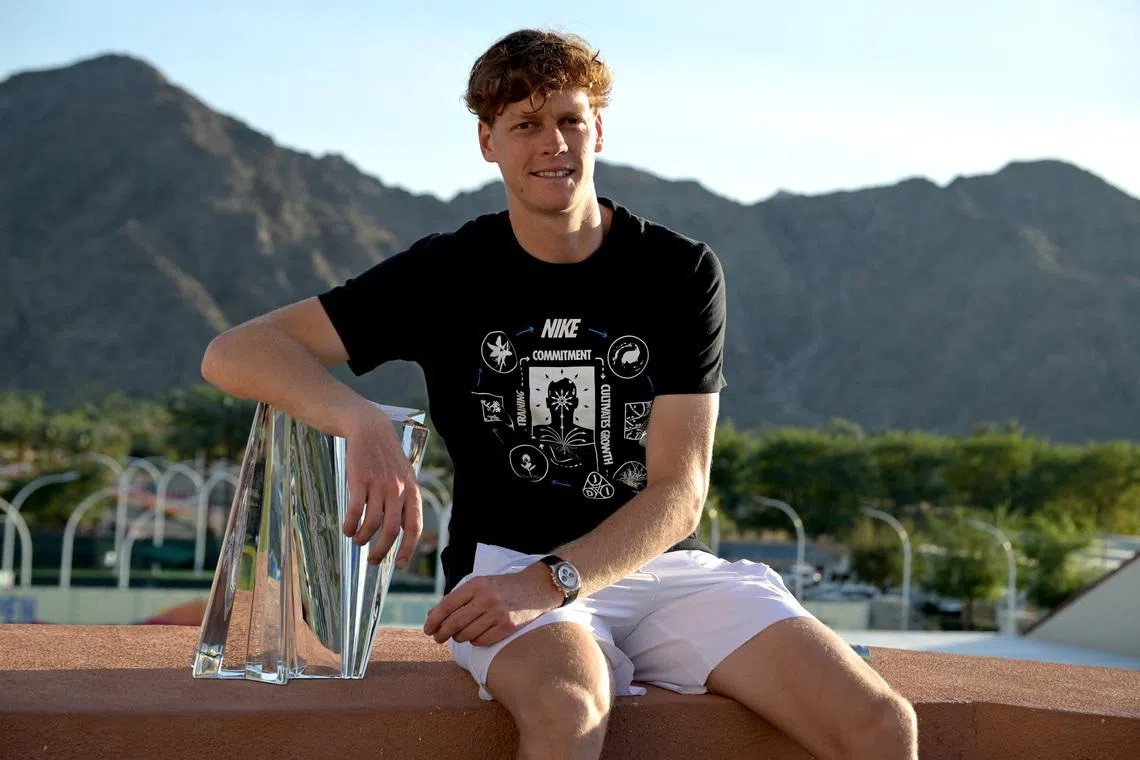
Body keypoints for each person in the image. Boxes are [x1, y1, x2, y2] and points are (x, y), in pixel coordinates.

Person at [200, 28, 918, 760]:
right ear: (488, 142)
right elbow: (237, 351)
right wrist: (358, 421)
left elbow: (681, 490)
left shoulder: (678, 272)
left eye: (570, 119)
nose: (554, 143)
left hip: (657, 566)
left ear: (598, 129)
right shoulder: (447, 274)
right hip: (503, 566)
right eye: (525, 124)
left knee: (883, 725)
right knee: (569, 707)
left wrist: (556, 580)